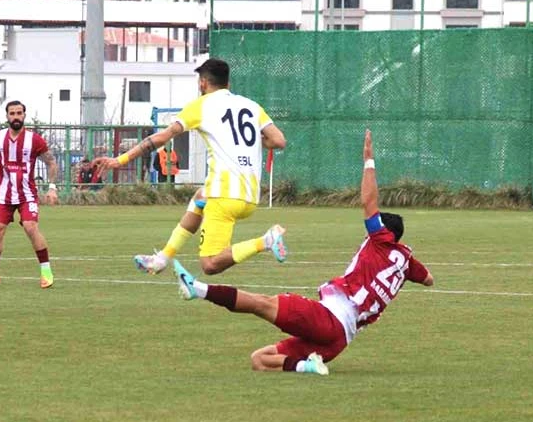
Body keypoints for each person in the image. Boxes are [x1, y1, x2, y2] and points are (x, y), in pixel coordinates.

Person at [172, 130, 435, 375]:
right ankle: (306, 367)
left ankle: (197, 289)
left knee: (260, 303)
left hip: (328, 319)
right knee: (259, 359)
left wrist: (369, 161)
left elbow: (369, 202)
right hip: (339, 340)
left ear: (385, 233)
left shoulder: (381, 239)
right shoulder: (407, 262)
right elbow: (428, 279)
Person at [95, 58, 288, 276]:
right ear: (228, 83)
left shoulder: (201, 106)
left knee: (210, 264)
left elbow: (162, 137)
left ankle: (265, 241)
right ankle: (162, 259)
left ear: (203, 83)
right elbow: (279, 140)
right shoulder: (251, 106)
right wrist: (249, 142)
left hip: (224, 195)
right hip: (250, 195)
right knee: (199, 198)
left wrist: (120, 160)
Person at [0, 100, 60, 290]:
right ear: (7, 116)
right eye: (12, 113)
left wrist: (51, 187)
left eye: (19, 113)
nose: (16, 117)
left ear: (24, 115)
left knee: (30, 227)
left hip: (26, 194)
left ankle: (46, 272)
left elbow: (51, 162)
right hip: (4, 193)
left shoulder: (34, 139)